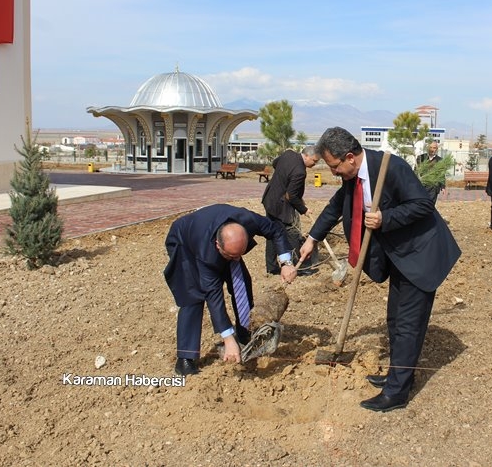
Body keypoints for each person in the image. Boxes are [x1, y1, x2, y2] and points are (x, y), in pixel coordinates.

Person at [298, 127, 461, 412]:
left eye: (335, 167)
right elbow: (334, 207)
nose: (334, 173)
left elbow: (422, 204)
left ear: (349, 157)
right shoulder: (352, 177)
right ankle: (398, 375)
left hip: (420, 255)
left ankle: (397, 393)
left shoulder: (391, 166)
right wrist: (312, 239)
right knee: (395, 319)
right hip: (398, 256)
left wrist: (387, 217)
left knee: (408, 323)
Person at [163, 204, 297, 376]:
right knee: (194, 294)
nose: (236, 259)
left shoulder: (249, 220)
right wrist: (227, 339)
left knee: (241, 280)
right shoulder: (206, 253)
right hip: (184, 243)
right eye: (231, 256)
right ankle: (185, 358)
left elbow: (276, 231)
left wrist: (286, 263)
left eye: (239, 254)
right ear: (218, 245)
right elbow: (214, 296)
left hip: (217, 238)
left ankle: (245, 332)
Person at [261, 146, 320, 275]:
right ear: (306, 156)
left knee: (272, 233)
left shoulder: (288, 154)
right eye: (314, 161)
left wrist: (283, 177)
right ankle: (300, 268)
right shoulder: (300, 171)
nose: (314, 164)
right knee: (292, 234)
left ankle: (271, 267)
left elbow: (275, 163)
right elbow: (291, 196)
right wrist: (303, 209)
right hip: (281, 206)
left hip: (270, 199)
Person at [415, 140, 444, 205]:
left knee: (431, 205)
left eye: (434, 148)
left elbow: (442, 174)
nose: (432, 149)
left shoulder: (440, 160)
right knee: (420, 204)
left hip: (434, 187)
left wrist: (443, 186)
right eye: (430, 147)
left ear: (437, 149)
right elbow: (416, 171)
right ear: (427, 148)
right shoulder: (421, 158)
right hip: (422, 185)